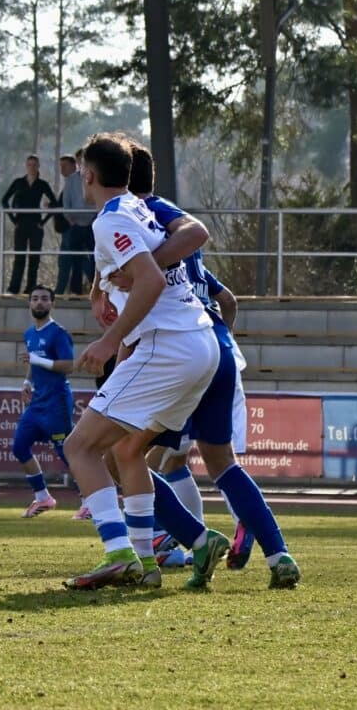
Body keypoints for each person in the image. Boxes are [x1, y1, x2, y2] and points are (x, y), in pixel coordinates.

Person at [59, 133, 226, 592]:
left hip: (167, 346)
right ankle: (151, 560)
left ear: (87, 175)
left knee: (79, 448)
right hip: (199, 344)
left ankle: (119, 555)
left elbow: (148, 279)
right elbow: (141, 262)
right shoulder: (137, 207)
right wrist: (101, 287)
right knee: (128, 451)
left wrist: (110, 341)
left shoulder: (110, 217)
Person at [127, 151, 300, 588]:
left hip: (179, 350)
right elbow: (228, 301)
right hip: (218, 346)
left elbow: (145, 276)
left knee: (126, 456)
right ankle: (279, 554)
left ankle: (183, 540)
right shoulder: (174, 232)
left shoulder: (138, 216)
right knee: (221, 463)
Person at [14, 287, 75, 518]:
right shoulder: (30, 333)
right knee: (19, 446)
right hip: (38, 401)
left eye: (44, 299)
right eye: (35, 299)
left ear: (53, 304)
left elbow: (68, 366)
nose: (39, 303)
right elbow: (33, 362)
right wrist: (26, 382)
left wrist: (38, 359)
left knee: (67, 452)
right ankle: (43, 498)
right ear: (29, 304)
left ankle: (89, 500)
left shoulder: (58, 333)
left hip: (57, 401)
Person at [1, 154, 57, 295]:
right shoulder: (18, 182)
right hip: (21, 224)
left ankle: (31, 288)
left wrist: (43, 221)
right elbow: (4, 200)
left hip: (36, 225)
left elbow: (55, 203)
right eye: (29, 165)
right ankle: (14, 288)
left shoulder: (42, 184)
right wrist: (13, 220)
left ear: (38, 166)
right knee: (19, 257)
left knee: (34, 258)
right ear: (26, 166)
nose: (32, 168)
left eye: (34, 165)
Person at [55, 153, 95, 296]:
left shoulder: (94, 177)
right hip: (75, 224)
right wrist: (69, 217)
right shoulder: (71, 180)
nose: (81, 163)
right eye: (79, 161)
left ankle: (97, 288)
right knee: (75, 259)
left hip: (92, 223)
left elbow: (97, 198)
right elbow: (66, 201)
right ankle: (75, 290)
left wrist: (94, 217)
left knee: (95, 257)